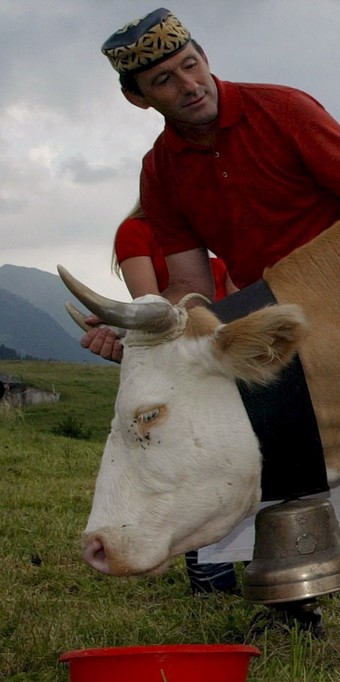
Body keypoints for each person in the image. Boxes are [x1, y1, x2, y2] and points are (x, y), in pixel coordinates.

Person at [91, 7, 340, 669]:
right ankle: (293, 606)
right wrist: (136, 330)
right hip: (258, 325)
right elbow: (193, 287)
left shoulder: (283, 110)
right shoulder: (161, 170)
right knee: (271, 466)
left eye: (192, 65)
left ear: (204, 58)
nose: (190, 84)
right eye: (167, 81)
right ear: (139, 98)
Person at [112, 202, 237, 594]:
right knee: (192, 464)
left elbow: (239, 293)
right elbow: (151, 308)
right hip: (178, 368)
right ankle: (211, 578)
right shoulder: (136, 231)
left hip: (225, 363)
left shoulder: (220, 227)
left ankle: (260, 572)